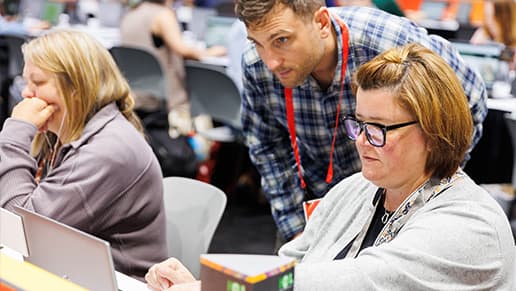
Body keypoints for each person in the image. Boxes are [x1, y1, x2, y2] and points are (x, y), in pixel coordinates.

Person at [145, 43, 515, 291]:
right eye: (360, 124)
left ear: (434, 133)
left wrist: (214, 288)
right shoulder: (359, 189)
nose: (360, 141)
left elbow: (359, 281)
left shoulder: (472, 227)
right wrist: (205, 281)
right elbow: (289, 265)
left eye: (379, 130)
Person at [235, 0, 488, 242]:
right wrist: (296, 229)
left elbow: (471, 98)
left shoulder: (386, 41)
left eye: (282, 40)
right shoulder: (256, 64)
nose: (270, 61)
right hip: (318, 204)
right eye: (257, 43)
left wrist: (427, 188)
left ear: (321, 22)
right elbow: (266, 146)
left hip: (399, 205)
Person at [0, 30, 168, 281]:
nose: (26, 93)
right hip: (70, 270)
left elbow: (19, 231)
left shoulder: (108, 152)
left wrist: (15, 133)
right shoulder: (65, 132)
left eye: (38, 82)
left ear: (76, 87)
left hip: (114, 283)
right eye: (26, 82)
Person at [120, 0, 227, 136]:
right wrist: (209, 52)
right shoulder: (162, 15)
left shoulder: (130, 13)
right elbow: (182, 50)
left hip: (137, 97)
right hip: (168, 103)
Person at [470, 0, 516, 70]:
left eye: (493, 17)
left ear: (505, 18)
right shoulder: (483, 34)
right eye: (487, 16)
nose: (489, 22)